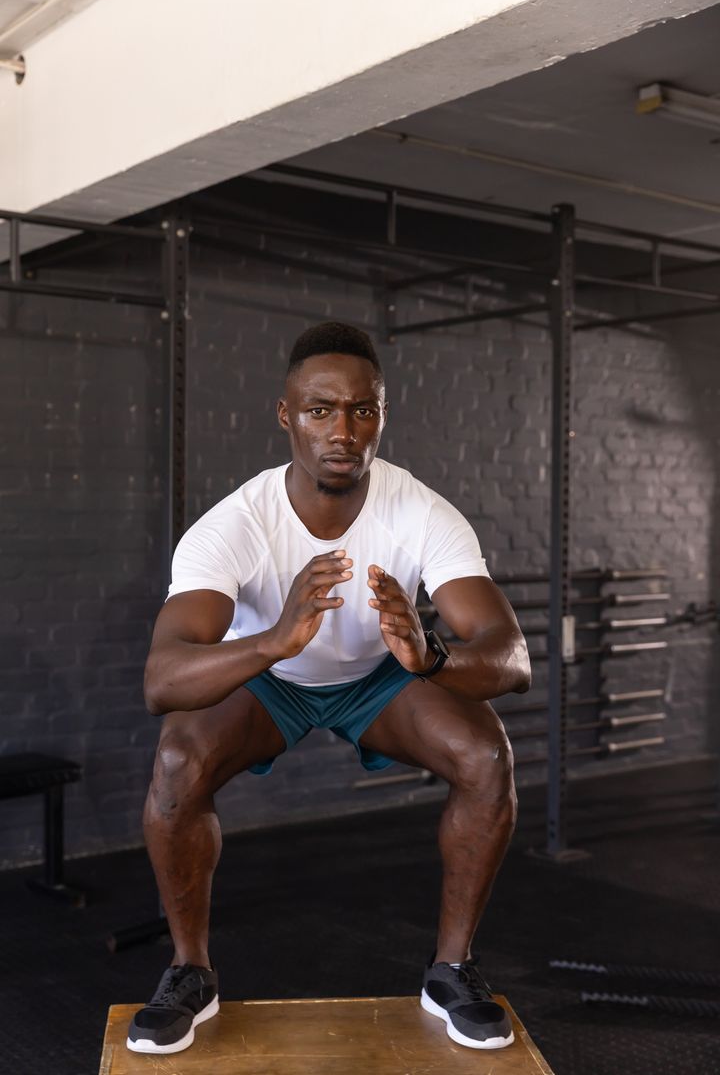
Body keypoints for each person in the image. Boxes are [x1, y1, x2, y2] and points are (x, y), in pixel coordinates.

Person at [126, 321, 531, 1056]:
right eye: (320, 410)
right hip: (270, 678)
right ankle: (190, 972)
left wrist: (431, 655)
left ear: (382, 415)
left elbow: (512, 659)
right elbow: (162, 680)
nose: (342, 432)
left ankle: (451, 970)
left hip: (378, 678)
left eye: (361, 410)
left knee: (486, 756)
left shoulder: (421, 511)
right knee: (178, 762)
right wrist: (272, 641)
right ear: (287, 415)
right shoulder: (236, 525)